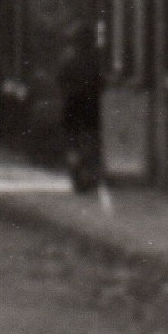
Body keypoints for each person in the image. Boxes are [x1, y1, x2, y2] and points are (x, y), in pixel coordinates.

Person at [55, 15, 113, 200]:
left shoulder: (67, 59)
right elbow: (100, 82)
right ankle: (87, 172)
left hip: (72, 104)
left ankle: (76, 169)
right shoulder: (93, 60)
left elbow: (60, 80)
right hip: (90, 104)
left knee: (73, 140)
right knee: (89, 138)